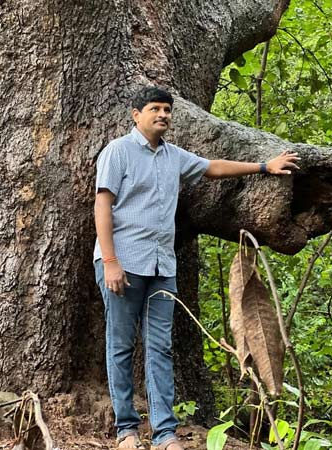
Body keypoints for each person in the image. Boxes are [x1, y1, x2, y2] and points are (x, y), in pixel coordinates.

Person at [93, 87, 299, 450]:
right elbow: (102, 205)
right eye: (154, 108)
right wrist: (110, 261)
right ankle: (126, 430)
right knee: (121, 345)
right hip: (122, 262)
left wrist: (265, 166)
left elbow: (213, 168)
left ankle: (164, 434)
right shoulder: (118, 152)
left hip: (161, 265)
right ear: (135, 115)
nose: (162, 114)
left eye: (167, 109)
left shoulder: (173, 156)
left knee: (160, 347)